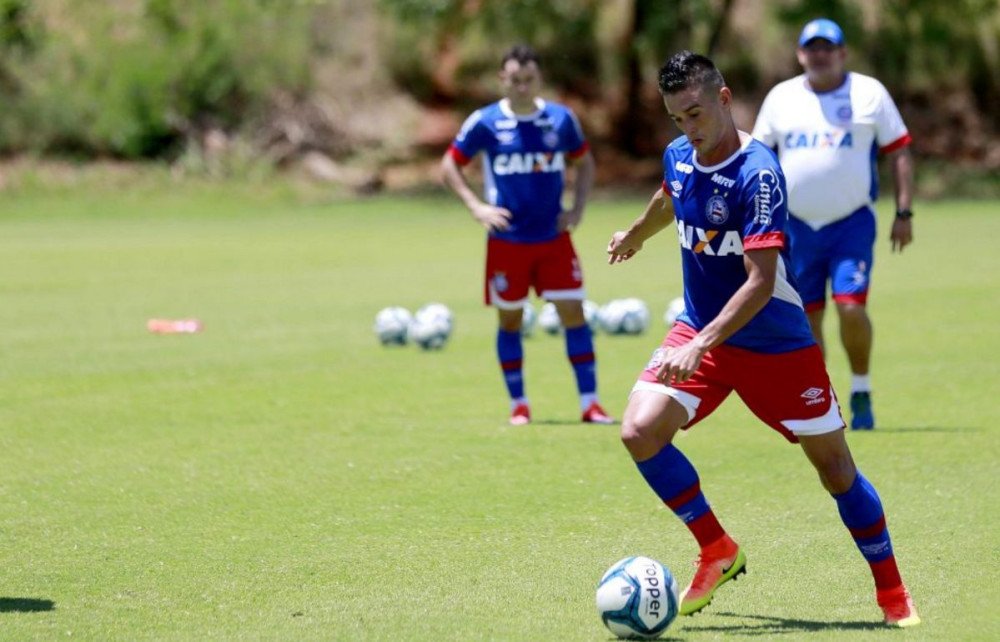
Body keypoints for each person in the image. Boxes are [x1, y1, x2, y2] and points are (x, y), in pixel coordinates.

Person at [606, 51, 919, 627]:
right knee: (639, 431)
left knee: (835, 470)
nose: (688, 130)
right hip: (701, 331)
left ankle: (893, 594)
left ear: (724, 99)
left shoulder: (759, 173)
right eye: (678, 119)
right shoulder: (681, 154)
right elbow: (671, 194)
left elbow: (761, 281)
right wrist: (637, 235)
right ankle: (717, 548)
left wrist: (701, 344)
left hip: (775, 344)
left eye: (696, 114)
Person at [751, 18, 915, 430]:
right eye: (812, 48)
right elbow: (757, 159)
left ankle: (861, 388)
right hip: (795, 227)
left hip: (850, 222)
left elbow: (899, 151)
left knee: (850, 306)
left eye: (829, 47)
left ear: (843, 53)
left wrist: (904, 211)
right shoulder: (781, 98)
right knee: (807, 318)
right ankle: (822, 402)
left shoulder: (868, 93)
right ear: (801, 54)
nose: (820, 55)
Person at [441, 44, 614, 426]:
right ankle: (519, 404)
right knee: (510, 321)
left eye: (529, 79)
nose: (521, 86)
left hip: (553, 238)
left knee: (574, 314)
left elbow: (584, 163)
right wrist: (476, 207)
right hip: (507, 242)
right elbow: (450, 165)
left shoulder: (561, 120)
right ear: (502, 79)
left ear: (539, 80)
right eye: (514, 79)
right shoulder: (485, 122)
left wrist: (578, 208)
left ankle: (590, 403)